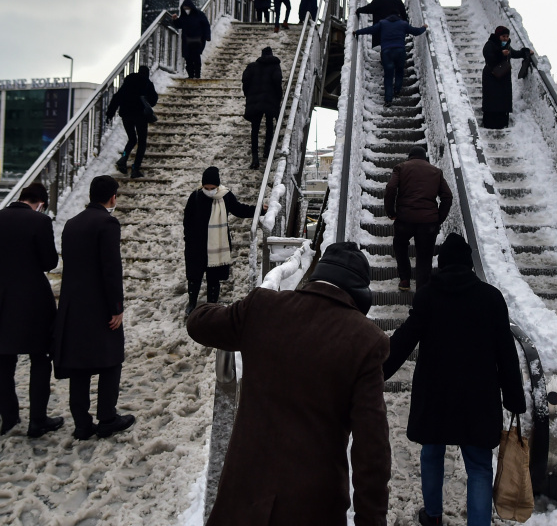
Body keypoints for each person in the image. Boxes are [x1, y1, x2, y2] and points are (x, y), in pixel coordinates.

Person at [187, 241, 390, 525]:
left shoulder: (264, 307)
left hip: (242, 499)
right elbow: (372, 448)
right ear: (360, 294)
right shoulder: (366, 341)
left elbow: (198, 323)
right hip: (312, 508)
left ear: (315, 275)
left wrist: (239, 308)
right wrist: (372, 519)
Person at [383, 233, 527, 526]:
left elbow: (405, 339)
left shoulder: (428, 295)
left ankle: (433, 516)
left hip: (436, 394)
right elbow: (506, 352)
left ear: (442, 264)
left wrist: (377, 372)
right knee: (478, 466)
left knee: (432, 452)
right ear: (469, 264)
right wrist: (514, 397)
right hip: (478, 396)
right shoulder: (491, 298)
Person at [0, 182, 63, 438]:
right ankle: (38, 420)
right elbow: (49, 262)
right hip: (33, 299)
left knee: (2, 360)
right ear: (41, 203)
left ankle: (10, 419)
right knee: (40, 359)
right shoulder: (39, 222)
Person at [53, 175, 134, 440]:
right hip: (99, 306)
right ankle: (107, 417)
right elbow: (111, 269)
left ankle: (81, 423)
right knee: (111, 361)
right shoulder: (107, 223)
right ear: (112, 197)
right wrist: (117, 306)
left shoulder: (72, 224)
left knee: (80, 365)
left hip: (73, 306)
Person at [182, 167, 257, 315]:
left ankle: (211, 306)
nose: (209, 190)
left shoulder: (226, 196)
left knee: (213, 278)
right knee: (194, 276)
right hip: (197, 245)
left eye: (212, 188)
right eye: (206, 188)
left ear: (218, 186)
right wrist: (188, 239)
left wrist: (259, 209)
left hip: (217, 244)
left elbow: (239, 210)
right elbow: (187, 220)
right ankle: (192, 303)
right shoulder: (195, 196)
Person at [385, 147, 453, 293]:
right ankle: (422, 291)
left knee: (400, 245)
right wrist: (438, 218)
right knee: (425, 256)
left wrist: (391, 212)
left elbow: (391, 188)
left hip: (405, 219)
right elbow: (447, 196)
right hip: (428, 223)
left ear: (410, 157)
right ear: (425, 157)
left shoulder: (401, 168)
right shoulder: (436, 172)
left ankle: (404, 279)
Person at [355, 14, 428, 105]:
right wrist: (424, 27)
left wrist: (357, 32)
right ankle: (397, 90)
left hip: (387, 52)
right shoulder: (403, 24)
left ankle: (388, 100)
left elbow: (370, 30)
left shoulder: (382, 23)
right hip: (400, 51)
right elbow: (416, 31)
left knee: (388, 76)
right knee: (399, 71)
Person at [106, 65, 159, 178]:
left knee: (132, 139)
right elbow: (153, 100)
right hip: (140, 116)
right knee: (142, 142)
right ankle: (135, 168)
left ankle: (124, 157)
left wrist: (110, 114)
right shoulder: (147, 83)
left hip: (126, 116)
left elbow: (116, 97)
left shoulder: (127, 83)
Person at [481, 25, 533, 129]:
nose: (505, 38)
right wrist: (500, 54)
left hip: (503, 79)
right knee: (492, 101)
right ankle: (489, 124)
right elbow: (488, 56)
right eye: (503, 36)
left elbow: (515, 53)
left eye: (507, 36)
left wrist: (526, 52)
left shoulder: (507, 47)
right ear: (498, 36)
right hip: (491, 78)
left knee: (502, 101)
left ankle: (502, 124)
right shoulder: (490, 44)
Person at [241, 47, 283, 169]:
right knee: (269, 124)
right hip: (270, 100)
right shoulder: (275, 66)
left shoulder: (252, 66)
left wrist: (248, 94)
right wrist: (278, 97)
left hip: (255, 101)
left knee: (255, 128)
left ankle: (255, 159)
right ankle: (267, 150)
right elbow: (277, 81)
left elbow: (245, 80)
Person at [170, 0, 212, 79]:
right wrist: (175, 20)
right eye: (185, 8)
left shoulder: (199, 15)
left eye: (188, 8)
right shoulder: (184, 17)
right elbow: (179, 25)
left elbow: (206, 25)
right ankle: (191, 75)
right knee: (188, 58)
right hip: (187, 41)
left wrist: (207, 36)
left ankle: (197, 74)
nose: (186, 10)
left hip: (197, 40)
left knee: (196, 57)